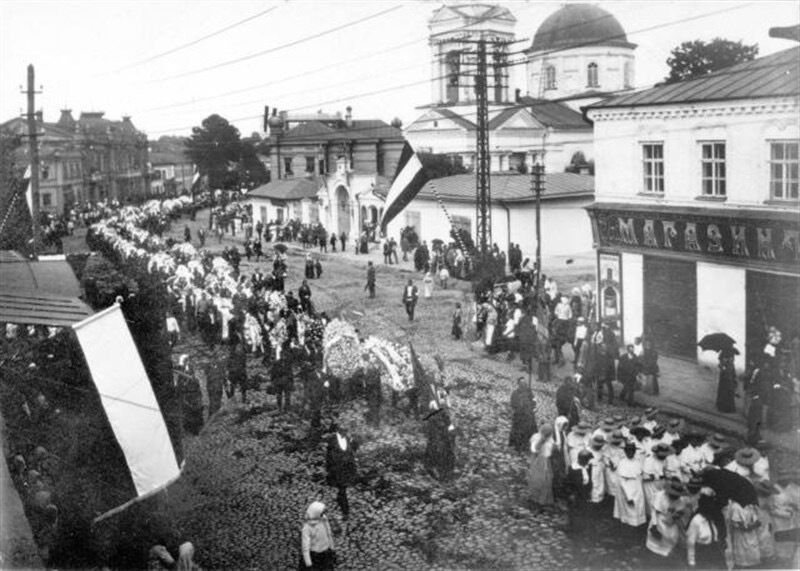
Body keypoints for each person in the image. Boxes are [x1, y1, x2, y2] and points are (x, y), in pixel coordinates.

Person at [646, 479, 686, 562]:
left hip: (671, 523)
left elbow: (680, 513)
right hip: (658, 520)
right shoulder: (660, 496)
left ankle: (665, 560)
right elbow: (654, 511)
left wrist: (675, 517)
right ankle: (651, 559)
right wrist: (654, 525)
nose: (675, 497)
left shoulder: (681, 500)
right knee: (655, 541)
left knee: (668, 543)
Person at [686, 495, 726, 569]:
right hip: (702, 554)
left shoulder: (712, 519)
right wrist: (691, 562)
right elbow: (690, 543)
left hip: (715, 551)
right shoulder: (696, 521)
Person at [326, 426, 358, 519]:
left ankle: (344, 511)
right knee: (341, 491)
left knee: (342, 491)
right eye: (344, 429)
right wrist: (330, 471)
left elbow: (352, 453)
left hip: (346, 471)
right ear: (339, 430)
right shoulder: (331, 440)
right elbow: (328, 457)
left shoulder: (348, 440)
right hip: (336, 470)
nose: (346, 432)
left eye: (346, 430)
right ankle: (345, 512)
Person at [614, 442, 646, 528]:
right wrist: (628, 496)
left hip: (637, 487)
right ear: (625, 451)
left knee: (638, 508)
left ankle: (637, 526)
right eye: (628, 451)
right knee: (629, 509)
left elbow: (640, 474)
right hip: (627, 489)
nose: (630, 452)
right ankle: (628, 527)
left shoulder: (637, 462)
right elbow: (622, 481)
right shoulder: (622, 463)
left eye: (632, 451)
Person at [300, 501, 335, 570]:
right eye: (321, 513)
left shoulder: (323, 519)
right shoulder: (307, 528)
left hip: (326, 553)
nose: (323, 514)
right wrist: (309, 564)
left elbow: (329, 533)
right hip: (315, 556)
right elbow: (305, 548)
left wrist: (332, 548)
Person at [528, 424, 555, 508]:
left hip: (547, 461)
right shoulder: (536, 437)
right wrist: (542, 440)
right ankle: (535, 500)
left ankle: (543, 501)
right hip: (538, 461)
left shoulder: (550, 439)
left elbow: (550, 450)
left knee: (547, 480)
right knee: (538, 480)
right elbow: (534, 449)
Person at [509, 378, 538, 454]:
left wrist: (533, 408)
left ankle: (529, 446)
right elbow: (513, 404)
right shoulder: (515, 393)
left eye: (524, 383)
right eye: (521, 383)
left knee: (530, 431)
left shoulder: (529, 393)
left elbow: (534, 401)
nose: (523, 384)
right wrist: (519, 407)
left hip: (529, 415)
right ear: (518, 384)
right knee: (518, 432)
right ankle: (518, 447)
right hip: (519, 416)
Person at [716, 348, 737, 413]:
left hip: (727, 378)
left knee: (725, 392)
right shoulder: (729, 361)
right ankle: (724, 407)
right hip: (726, 378)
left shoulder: (729, 362)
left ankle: (724, 408)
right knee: (726, 392)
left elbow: (727, 370)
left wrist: (722, 367)